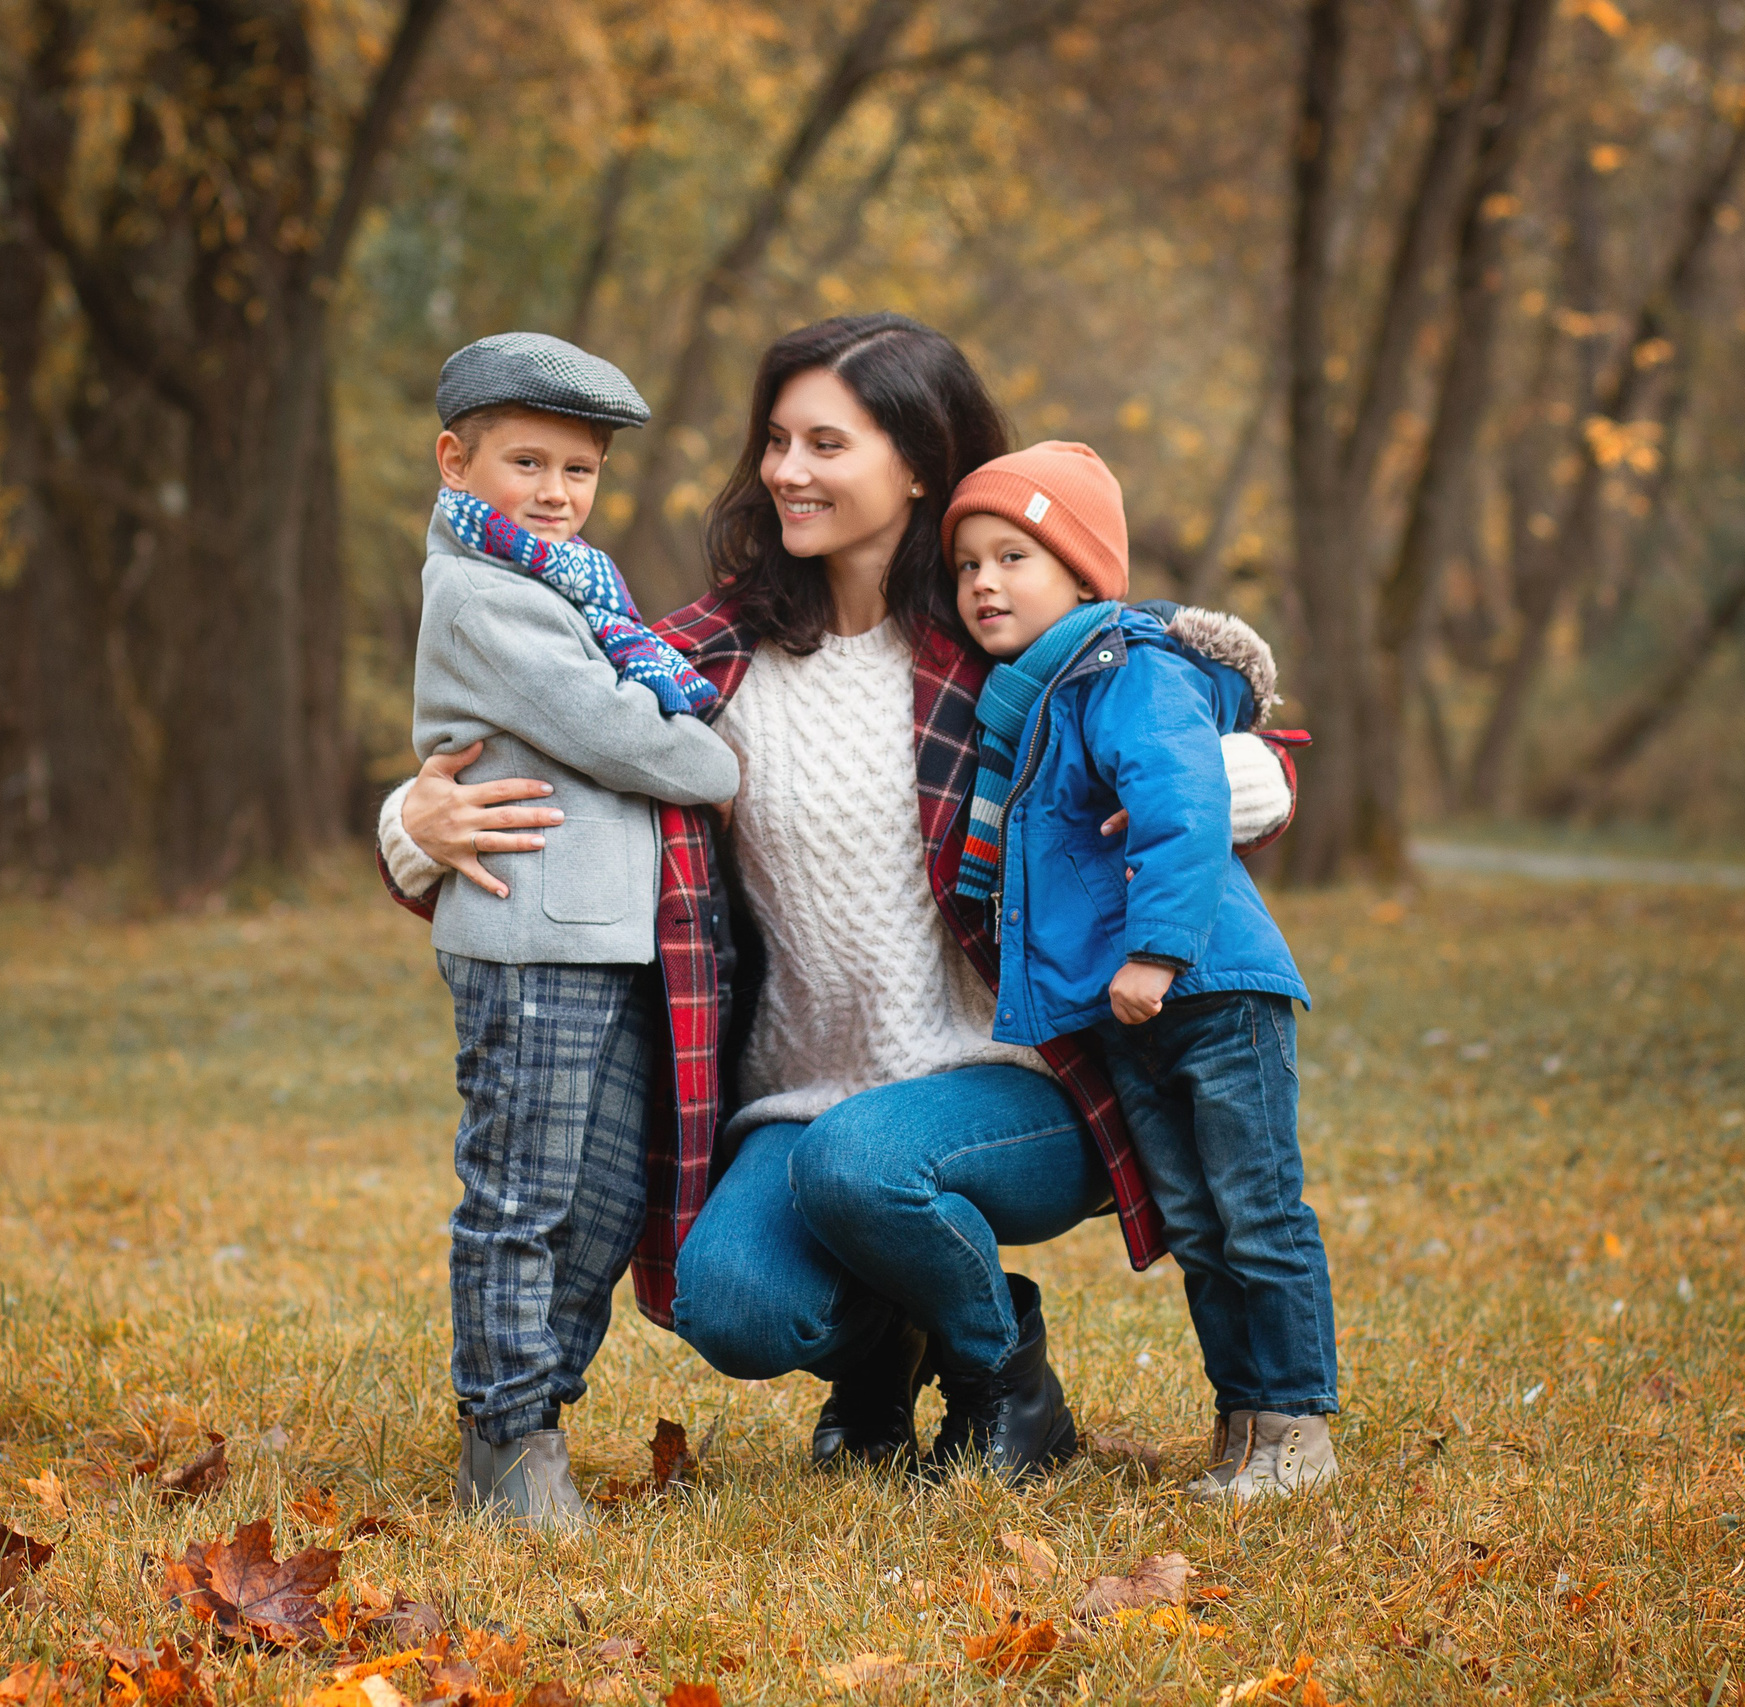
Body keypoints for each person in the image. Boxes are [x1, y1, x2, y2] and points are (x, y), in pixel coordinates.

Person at [378, 314, 1297, 1484]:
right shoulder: (699, 659)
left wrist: (1247, 775)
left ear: (916, 464)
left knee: (863, 1164)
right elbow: (549, 744)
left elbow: (1182, 704)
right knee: (732, 1305)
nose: (786, 472)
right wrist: (410, 826)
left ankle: (1002, 1372)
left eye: (825, 444)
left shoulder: (1007, 642)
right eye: (776, 442)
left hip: (1016, 1081)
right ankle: (891, 1336)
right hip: (801, 1097)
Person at [941, 439, 1336, 1499]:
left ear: (1081, 574)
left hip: (1207, 986)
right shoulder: (1035, 697)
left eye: (1012, 557)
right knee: (1198, 1226)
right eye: (968, 564)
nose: (983, 583)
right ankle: (1243, 1425)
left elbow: (1180, 802)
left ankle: (1297, 1428)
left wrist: (1154, 951)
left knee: (1257, 1212)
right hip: (1133, 1009)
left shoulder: (1126, 668)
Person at [406, 332, 740, 1529]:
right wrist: (714, 757)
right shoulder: (483, 595)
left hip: (607, 939)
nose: (555, 493)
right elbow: (618, 732)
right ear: (456, 461)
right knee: (522, 1195)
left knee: (598, 1202)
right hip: (531, 937)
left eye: (578, 470)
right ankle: (508, 1441)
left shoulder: (574, 584)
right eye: (526, 463)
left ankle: (537, 1405)